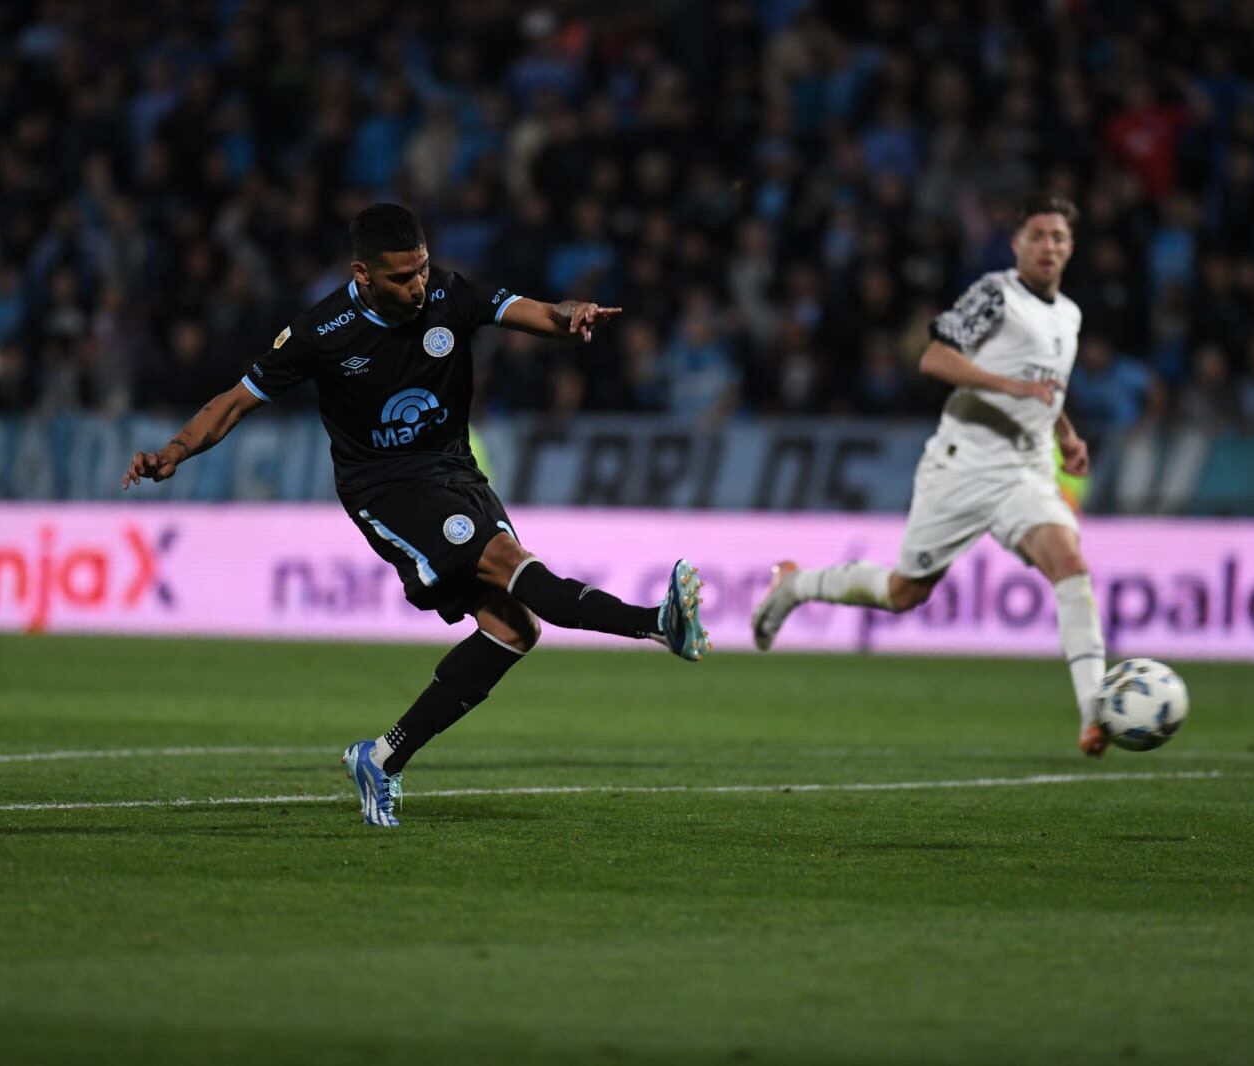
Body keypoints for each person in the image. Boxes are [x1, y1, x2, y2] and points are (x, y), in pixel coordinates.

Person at [124, 203, 710, 826]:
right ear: (364, 273)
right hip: (386, 489)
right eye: (402, 277)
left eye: (423, 269)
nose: (418, 285)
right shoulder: (323, 332)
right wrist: (175, 452)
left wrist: (568, 317)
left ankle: (380, 758)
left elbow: (523, 310)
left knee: (514, 629)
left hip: (456, 473)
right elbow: (235, 402)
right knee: (511, 564)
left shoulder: (447, 294)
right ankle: (656, 622)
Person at [752, 193, 1111, 757]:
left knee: (1070, 564)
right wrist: (1011, 386)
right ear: (1017, 243)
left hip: (1026, 468)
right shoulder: (995, 295)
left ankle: (1096, 712)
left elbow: (1046, 385)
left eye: (1059, 238)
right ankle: (795, 585)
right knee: (904, 592)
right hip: (963, 465)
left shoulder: (1069, 313)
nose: (1048, 247)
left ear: (1071, 248)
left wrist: (1064, 433)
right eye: (1038, 236)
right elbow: (935, 358)